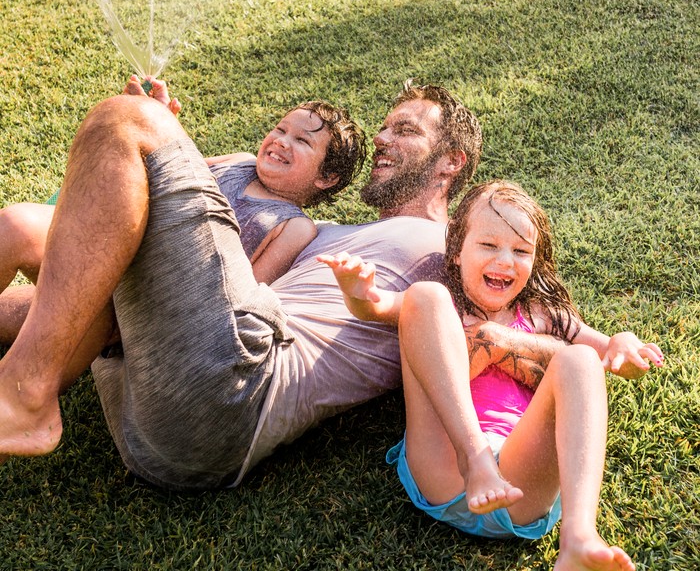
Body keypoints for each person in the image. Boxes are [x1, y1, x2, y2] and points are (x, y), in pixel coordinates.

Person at [0, 80, 500, 492]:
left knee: (127, 121)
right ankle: (22, 386)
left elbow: (525, 327)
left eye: (405, 130)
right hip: (156, 418)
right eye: (384, 128)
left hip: (238, 391)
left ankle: (26, 390)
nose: (381, 139)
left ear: (451, 161)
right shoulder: (332, 233)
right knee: (101, 254)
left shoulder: (447, 247)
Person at [319, 180, 664, 571]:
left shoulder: (542, 315)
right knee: (426, 296)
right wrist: (356, 289)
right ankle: (476, 460)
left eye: (520, 251)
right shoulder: (446, 309)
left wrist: (622, 343)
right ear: (456, 252)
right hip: (446, 465)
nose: (505, 260)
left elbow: (606, 352)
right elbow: (375, 306)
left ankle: (579, 536)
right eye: (488, 245)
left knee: (580, 359)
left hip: (521, 483)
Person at [0, 76, 366, 290]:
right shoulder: (240, 162)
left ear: (326, 177)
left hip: (151, 294)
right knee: (12, 225)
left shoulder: (294, 227)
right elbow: (169, 168)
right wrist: (157, 121)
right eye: (281, 129)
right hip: (117, 244)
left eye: (303, 142)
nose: (282, 141)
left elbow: (245, 295)